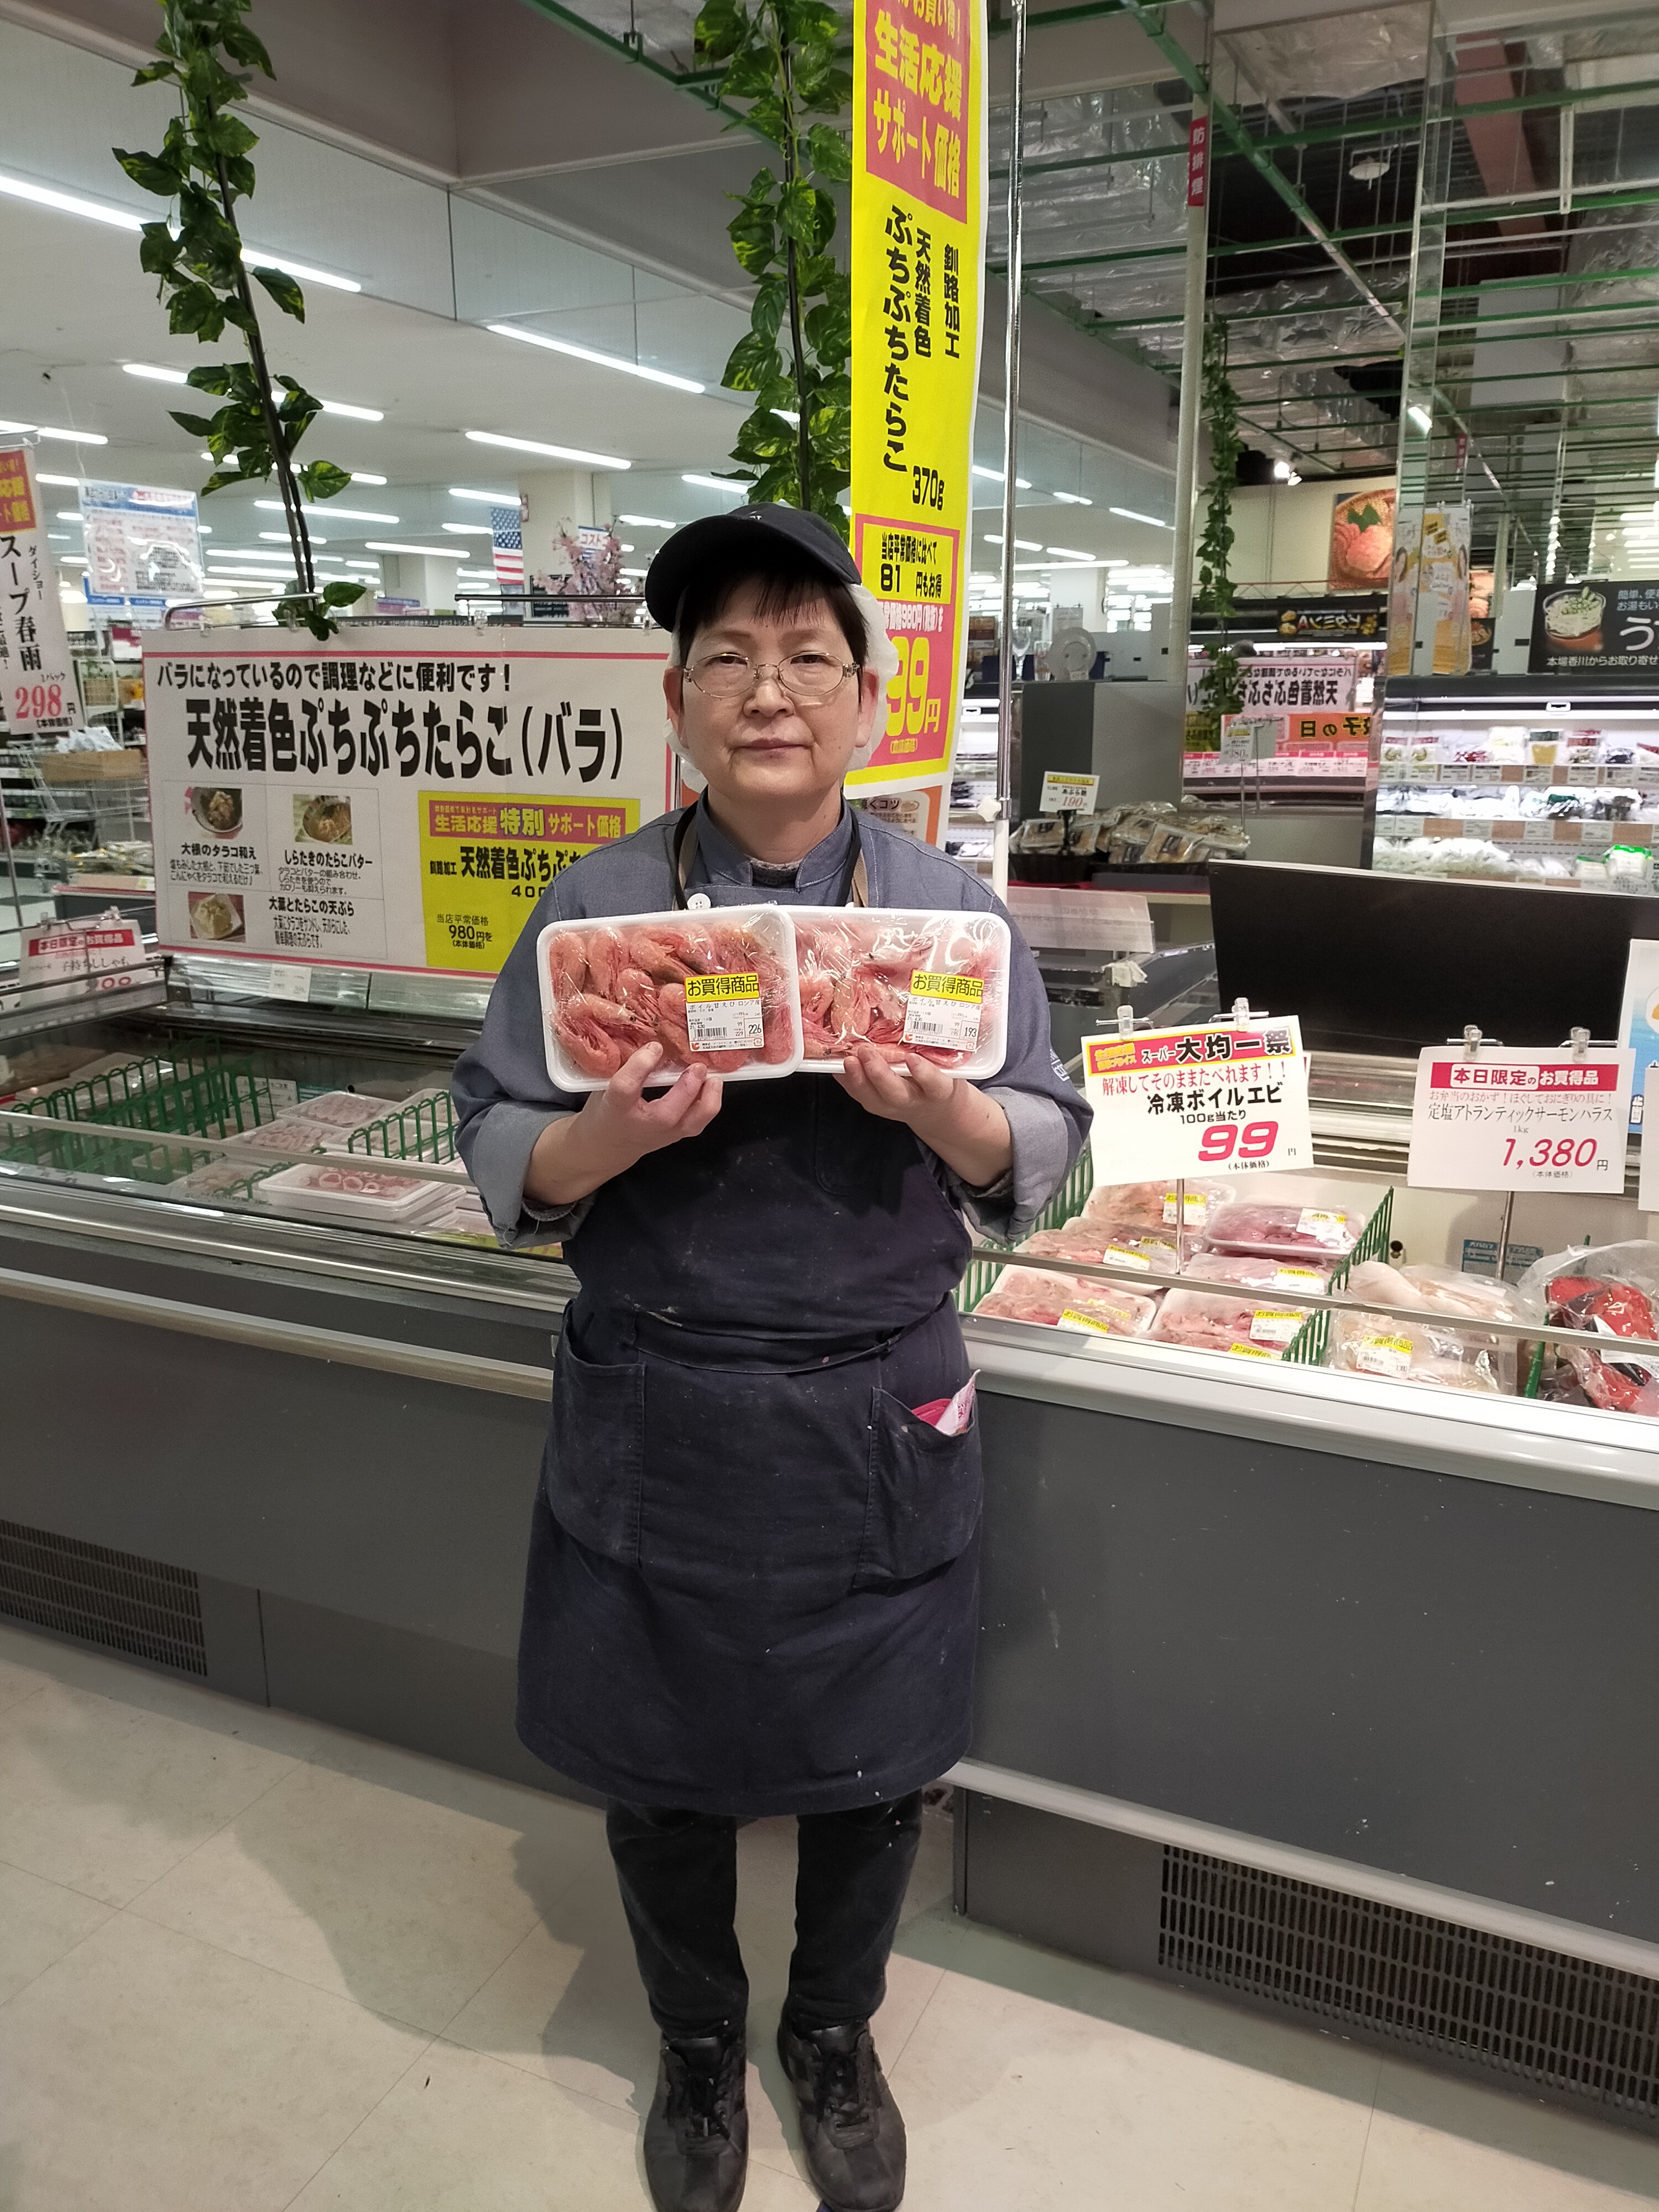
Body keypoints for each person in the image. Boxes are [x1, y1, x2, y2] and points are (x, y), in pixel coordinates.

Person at [453, 505, 1089, 2212]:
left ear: (869, 705)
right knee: (656, 1767)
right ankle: (694, 2042)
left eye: (810, 655)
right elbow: (497, 1135)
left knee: (875, 1770)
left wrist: (941, 1105)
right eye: (726, 656)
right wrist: (606, 1139)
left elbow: (1044, 1140)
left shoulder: (949, 919)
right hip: (657, 1392)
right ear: (677, 703)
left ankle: (830, 2033)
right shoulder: (596, 914)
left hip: (878, 1398)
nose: (768, 690)